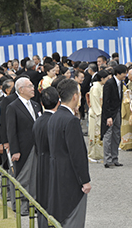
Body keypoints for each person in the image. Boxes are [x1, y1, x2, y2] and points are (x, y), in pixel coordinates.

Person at [47, 79, 91, 227]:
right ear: (75, 96)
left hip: (56, 174)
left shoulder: (54, 117)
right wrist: (85, 180)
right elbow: (77, 153)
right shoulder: (70, 120)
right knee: (74, 218)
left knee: (62, 217)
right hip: (71, 178)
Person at [6, 77, 42, 216]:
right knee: (23, 178)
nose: (33, 88)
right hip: (23, 148)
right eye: (30, 86)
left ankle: (36, 204)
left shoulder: (35, 105)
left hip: (37, 146)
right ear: (21, 89)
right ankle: (22, 206)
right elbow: (11, 130)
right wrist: (15, 150)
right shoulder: (13, 107)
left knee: (36, 177)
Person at [32, 87, 59, 228]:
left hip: (41, 162)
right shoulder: (56, 121)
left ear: (42, 103)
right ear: (58, 102)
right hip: (53, 163)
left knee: (42, 197)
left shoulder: (38, 120)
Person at [101, 64, 127, 168]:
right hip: (110, 113)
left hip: (117, 111)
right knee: (108, 135)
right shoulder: (109, 83)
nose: (125, 75)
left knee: (116, 135)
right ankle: (108, 160)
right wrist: (108, 116)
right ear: (118, 74)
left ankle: (115, 158)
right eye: (124, 73)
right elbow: (106, 101)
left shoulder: (120, 83)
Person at [88, 70, 110, 162]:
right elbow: (96, 102)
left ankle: (98, 154)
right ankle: (93, 155)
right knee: (95, 134)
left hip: (98, 112)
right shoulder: (96, 87)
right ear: (102, 78)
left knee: (98, 134)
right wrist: (99, 113)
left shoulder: (99, 86)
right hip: (96, 113)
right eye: (107, 78)